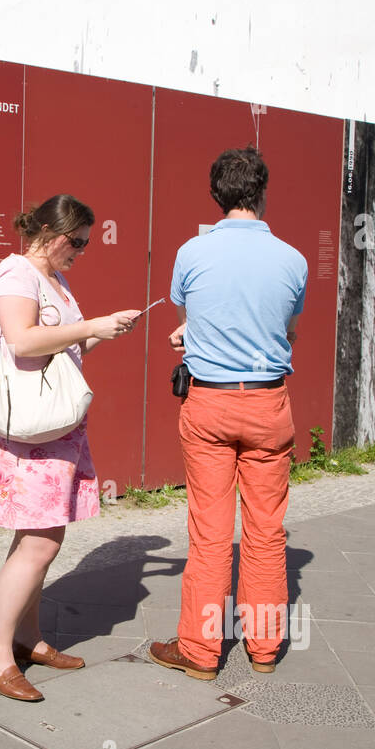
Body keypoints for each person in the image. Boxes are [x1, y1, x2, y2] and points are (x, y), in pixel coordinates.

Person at [0, 194, 138, 702]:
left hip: (52, 428)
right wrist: (89, 326)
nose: (82, 251)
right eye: (77, 241)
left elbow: (62, 347)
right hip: (29, 432)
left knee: (38, 539)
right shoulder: (16, 273)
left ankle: (26, 638)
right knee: (42, 543)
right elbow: (21, 341)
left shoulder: (52, 279)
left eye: (86, 243)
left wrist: (102, 331)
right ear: (50, 230)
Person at [149, 147, 307, 681]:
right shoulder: (293, 259)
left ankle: (200, 650)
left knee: (211, 532)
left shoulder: (192, 253)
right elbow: (286, 333)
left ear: (216, 197)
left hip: (210, 402)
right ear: (261, 193)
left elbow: (195, 317)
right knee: (266, 531)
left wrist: (194, 337)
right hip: (267, 402)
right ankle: (263, 648)